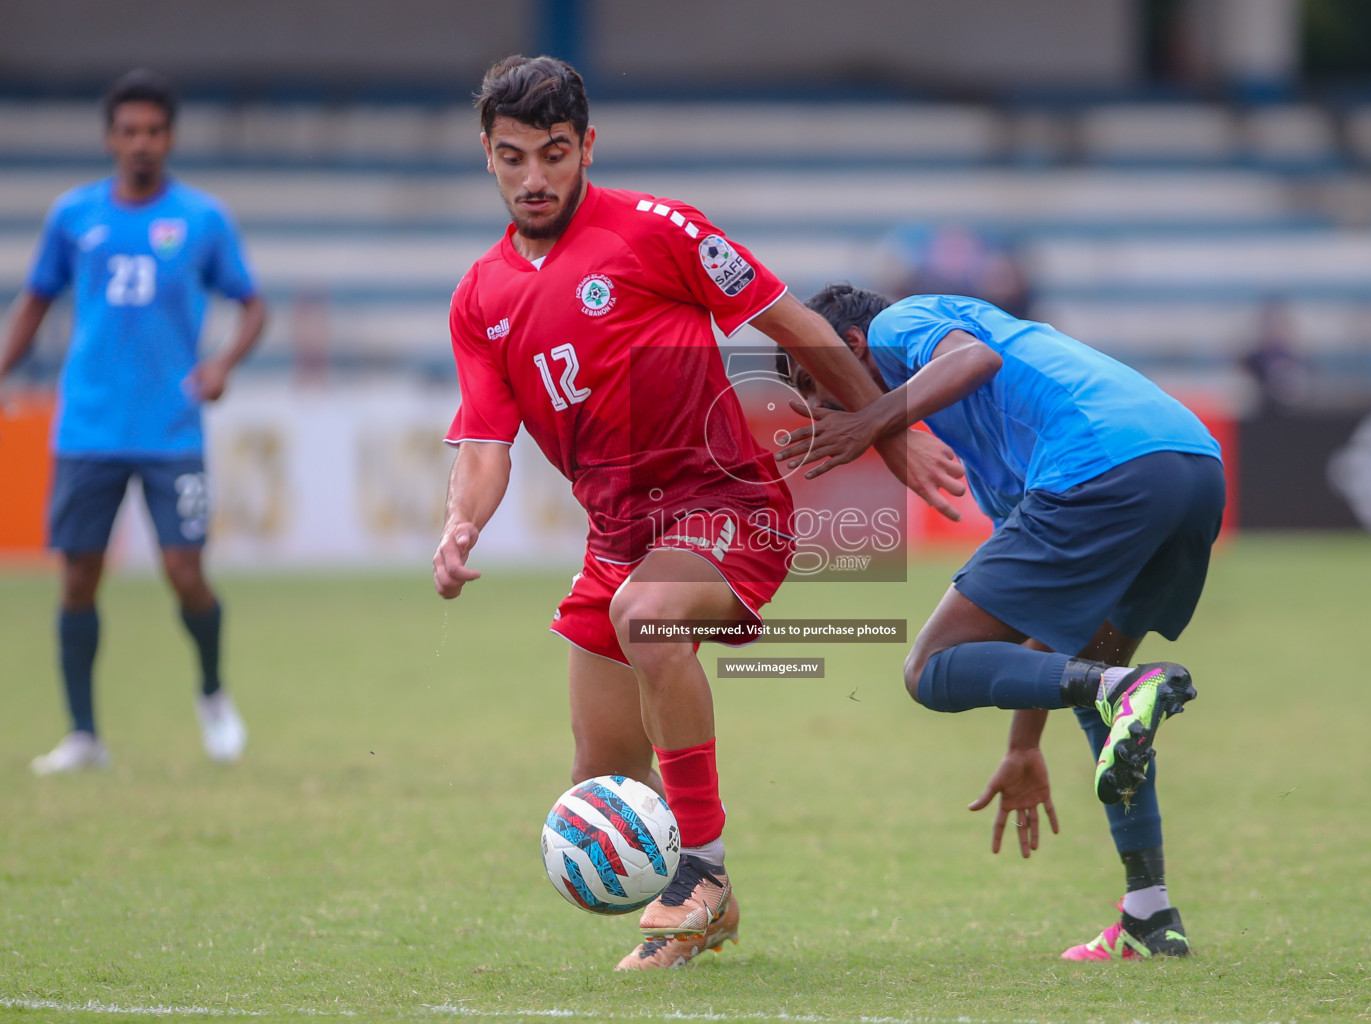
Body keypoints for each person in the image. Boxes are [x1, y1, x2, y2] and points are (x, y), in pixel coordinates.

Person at [431, 56, 965, 971]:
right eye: (513, 156)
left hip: (728, 506)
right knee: (605, 796)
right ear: (486, 155)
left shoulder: (656, 229)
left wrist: (887, 430)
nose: (534, 178)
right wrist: (461, 524)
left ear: (586, 147)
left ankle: (704, 873)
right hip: (617, 538)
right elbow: (486, 444)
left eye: (554, 154)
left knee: (650, 615)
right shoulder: (480, 297)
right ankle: (700, 912)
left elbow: (793, 323)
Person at [779, 285, 1225, 961]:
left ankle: (1125, 693)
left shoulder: (902, 320)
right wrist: (1023, 745)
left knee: (929, 669)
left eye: (813, 382)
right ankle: (1150, 913)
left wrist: (869, 425)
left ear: (851, 346)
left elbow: (973, 359)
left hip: (1100, 462)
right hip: (1191, 467)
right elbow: (1043, 630)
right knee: (1101, 683)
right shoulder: (993, 442)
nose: (816, 409)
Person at [0, 69, 266, 774]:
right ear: (111, 137)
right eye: (130, 131)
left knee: (185, 571)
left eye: (154, 131)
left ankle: (212, 694)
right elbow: (35, 301)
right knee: (79, 578)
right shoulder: (73, 217)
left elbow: (252, 304)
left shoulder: (202, 220)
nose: (142, 142)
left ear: (169, 138)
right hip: (87, 428)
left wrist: (221, 365)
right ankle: (84, 734)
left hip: (171, 432)